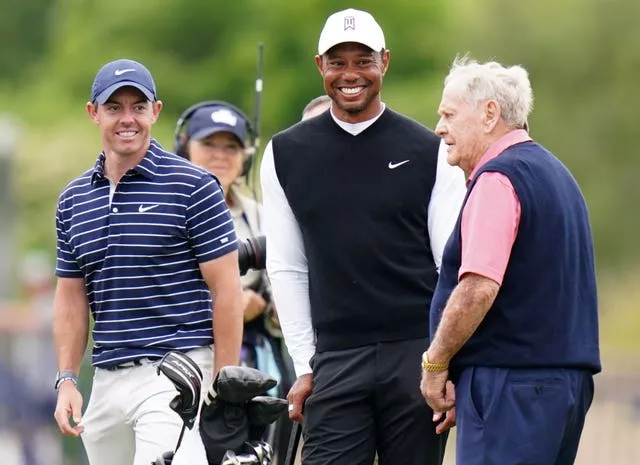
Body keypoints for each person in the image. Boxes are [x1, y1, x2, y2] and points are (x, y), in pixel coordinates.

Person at [260, 8, 467, 465]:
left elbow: (449, 266)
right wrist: (306, 364)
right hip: (334, 358)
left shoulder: (428, 150)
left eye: (363, 60)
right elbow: (288, 267)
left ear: (385, 62)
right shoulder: (285, 154)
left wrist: (445, 361)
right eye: (338, 62)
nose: (350, 74)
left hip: (415, 356)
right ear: (320, 66)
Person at [52, 58, 244, 465]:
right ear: (93, 113)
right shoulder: (72, 200)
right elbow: (70, 298)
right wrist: (67, 380)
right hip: (106, 378)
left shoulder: (193, 185)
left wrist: (225, 386)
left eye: (138, 107)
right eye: (114, 107)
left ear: (155, 111)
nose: (128, 119)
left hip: (177, 370)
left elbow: (226, 289)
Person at [421, 56, 601, 465]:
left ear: (489, 114)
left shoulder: (498, 178)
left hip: (511, 386)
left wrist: (437, 362)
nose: (439, 128)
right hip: (561, 386)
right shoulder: (559, 175)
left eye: (448, 114)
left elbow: (478, 286)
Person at [173, 99, 296, 465]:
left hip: (254, 355)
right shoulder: (166, 206)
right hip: (184, 355)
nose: (220, 156)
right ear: (185, 146)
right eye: (209, 144)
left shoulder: (262, 216)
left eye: (231, 147)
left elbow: (289, 284)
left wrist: (263, 307)